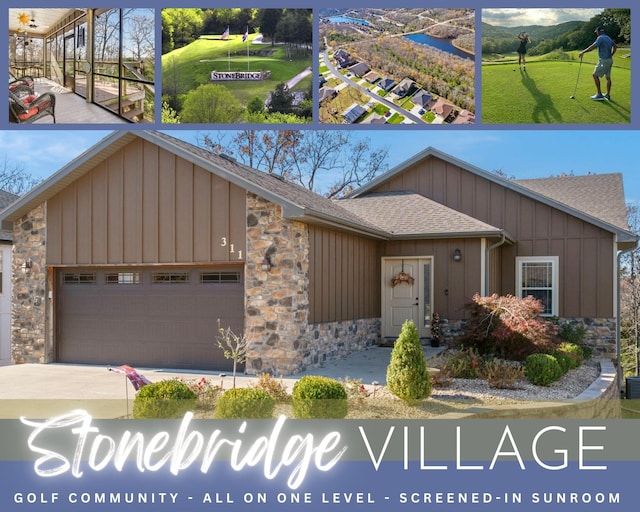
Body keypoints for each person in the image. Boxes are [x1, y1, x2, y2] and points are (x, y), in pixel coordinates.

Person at [579, 26, 617, 101]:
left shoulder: (600, 38)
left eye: (596, 32)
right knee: (608, 78)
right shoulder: (608, 38)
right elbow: (615, 47)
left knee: (595, 75)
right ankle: (607, 95)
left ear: (599, 31)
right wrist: (611, 54)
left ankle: (599, 94)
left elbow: (593, 46)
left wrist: (583, 52)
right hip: (609, 60)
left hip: (604, 61)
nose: (596, 33)